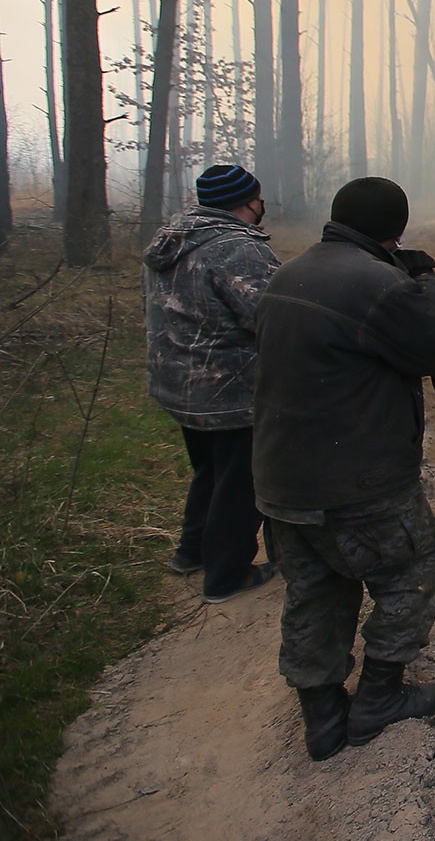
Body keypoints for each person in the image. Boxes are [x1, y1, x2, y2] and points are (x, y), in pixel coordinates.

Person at [252, 177, 435, 762]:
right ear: (396, 229)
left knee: (316, 587)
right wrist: (429, 286)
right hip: (355, 481)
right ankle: (378, 698)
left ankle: (322, 718)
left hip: (279, 479)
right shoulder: (379, 285)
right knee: (416, 565)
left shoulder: (285, 275)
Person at [143, 163, 280, 604]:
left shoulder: (173, 241)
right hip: (230, 390)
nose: (262, 206)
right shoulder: (237, 248)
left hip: (180, 384)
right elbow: (269, 315)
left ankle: (192, 552)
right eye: (258, 198)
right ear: (248, 202)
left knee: (211, 471)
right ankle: (227, 575)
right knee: (244, 481)